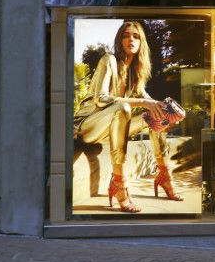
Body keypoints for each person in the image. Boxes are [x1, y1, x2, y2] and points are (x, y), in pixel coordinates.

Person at [74, 21, 184, 213]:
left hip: (109, 131)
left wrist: (167, 111)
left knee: (156, 115)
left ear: (141, 42)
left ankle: (165, 175)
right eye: (126, 35)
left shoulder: (135, 72)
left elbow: (149, 102)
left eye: (135, 36)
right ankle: (119, 183)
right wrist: (143, 103)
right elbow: (101, 99)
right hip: (87, 127)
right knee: (123, 108)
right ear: (120, 40)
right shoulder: (109, 60)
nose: (130, 39)